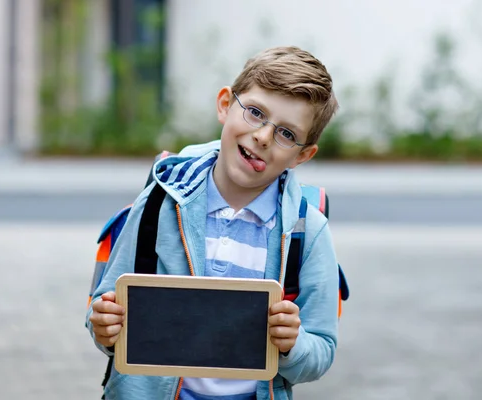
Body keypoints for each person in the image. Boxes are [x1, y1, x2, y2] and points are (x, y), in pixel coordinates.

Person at [86, 46, 341, 400]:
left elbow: (322, 348)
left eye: (286, 133)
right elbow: (104, 307)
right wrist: (103, 326)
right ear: (225, 104)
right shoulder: (159, 202)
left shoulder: (306, 232)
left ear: (302, 155)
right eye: (254, 113)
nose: (264, 137)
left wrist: (292, 346)